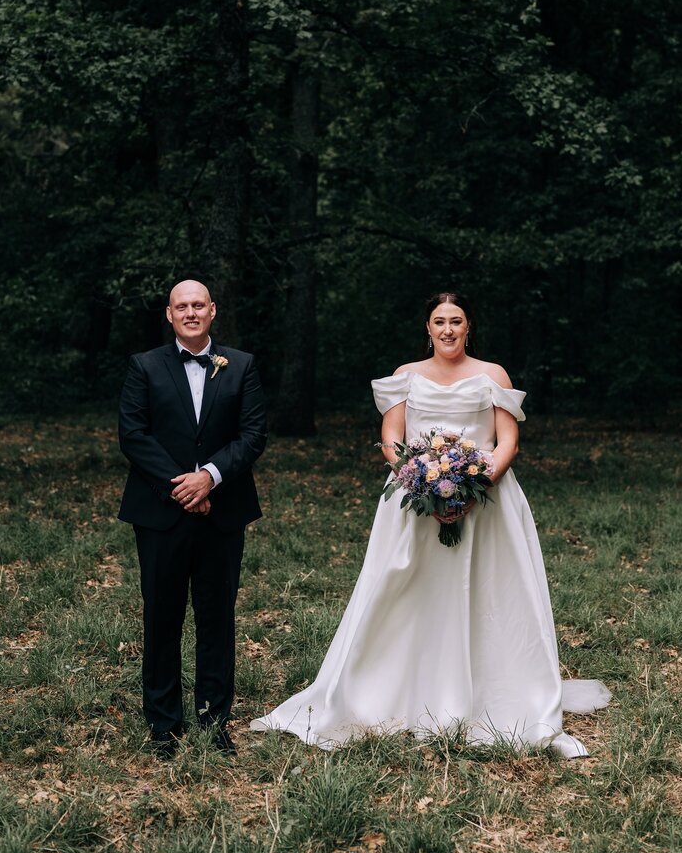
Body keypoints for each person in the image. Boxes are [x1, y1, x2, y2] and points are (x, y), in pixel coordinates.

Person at [251, 292, 610, 757]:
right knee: (407, 593)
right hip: (415, 503)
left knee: (486, 594)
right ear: (427, 328)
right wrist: (417, 480)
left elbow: (507, 442)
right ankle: (392, 692)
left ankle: (493, 695)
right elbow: (391, 437)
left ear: (468, 327)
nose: (447, 330)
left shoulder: (492, 375)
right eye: (439, 321)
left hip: (488, 504)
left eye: (456, 321)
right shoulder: (405, 377)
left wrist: (472, 485)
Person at [119, 279, 266, 758]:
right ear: (169, 314)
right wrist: (182, 485)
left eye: (198, 304)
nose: (190, 312)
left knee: (217, 617)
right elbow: (133, 434)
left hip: (222, 512)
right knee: (162, 615)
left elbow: (253, 434)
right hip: (161, 513)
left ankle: (214, 720)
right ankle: (163, 724)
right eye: (181, 306)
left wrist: (210, 477)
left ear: (212, 310)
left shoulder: (241, 365)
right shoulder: (145, 366)